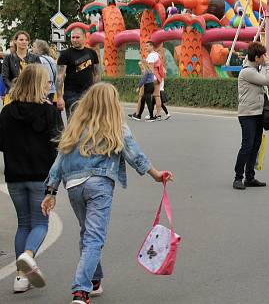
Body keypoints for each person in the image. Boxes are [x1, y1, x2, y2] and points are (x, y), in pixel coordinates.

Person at [42, 83, 173, 304]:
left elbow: (60, 159)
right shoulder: (116, 127)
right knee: (94, 237)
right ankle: (80, 291)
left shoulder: (75, 126)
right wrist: (156, 174)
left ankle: (94, 280)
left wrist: (51, 191)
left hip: (73, 186)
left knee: (88, 234)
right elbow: (135, 156)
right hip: (100, 186)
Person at [0, 65, 60, 294]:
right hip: (40, 176)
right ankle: (28, 255)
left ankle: (20, 277)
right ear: (38, 84)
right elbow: (59, 144)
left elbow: (1, 144)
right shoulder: (49, 112)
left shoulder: (7, 111)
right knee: (41, 223)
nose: (49, 85)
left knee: (23, 224)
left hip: (15, 176)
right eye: (46, 82)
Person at [233, 41, 269, 190]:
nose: (265, 58)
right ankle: (238, 177)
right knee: (247, 145)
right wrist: (268, 64)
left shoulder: (254, 69)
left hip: (257, 113)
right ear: (256, 58)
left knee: (256, 145)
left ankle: (250, 177)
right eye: (262, 56)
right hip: (247, 114)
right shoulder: (247, 72)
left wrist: (264, 64)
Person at [57, 28, 100, 118]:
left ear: (84, 37)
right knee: (73, 122)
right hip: (71, 94)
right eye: (73, 37)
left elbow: (97, 74)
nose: (74, 40)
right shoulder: (65, 54)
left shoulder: (92, 53)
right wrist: (59, 97)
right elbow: (60, 77)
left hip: (88, 93)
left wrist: (96, 91)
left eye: (77, 37)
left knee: (89, 121)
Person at [2, 31, 38, 102]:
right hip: (13, 94)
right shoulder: (8, 58)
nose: (24, 42)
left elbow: (39, 76)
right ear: (15, 41)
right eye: (21, 40)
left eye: (26, 40)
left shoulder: (35, 58)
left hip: (31, 95)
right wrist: (15, 89)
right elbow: (5, 77)